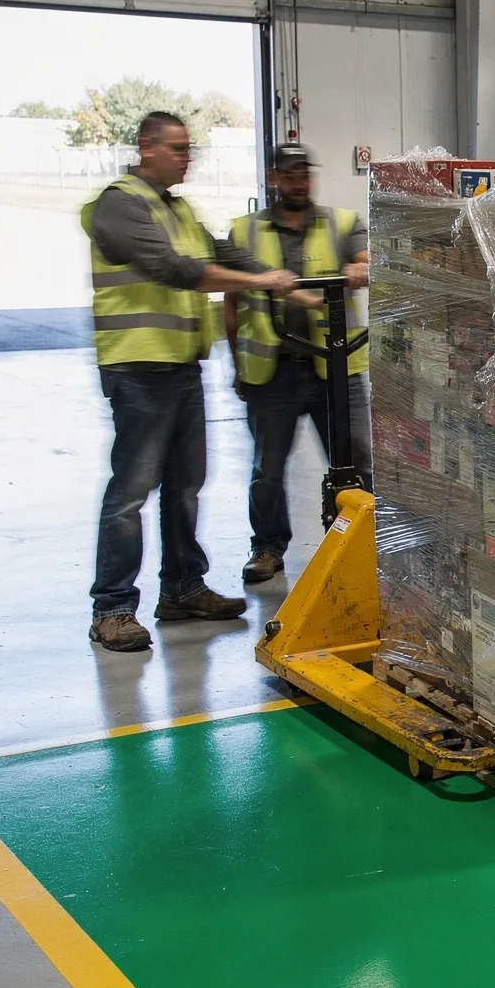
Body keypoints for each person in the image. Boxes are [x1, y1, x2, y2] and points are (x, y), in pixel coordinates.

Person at [84, 111, 300, 653]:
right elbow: (175, 269)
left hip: (180, 366)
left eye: (189, 148)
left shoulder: (175, 207)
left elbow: (218, 251)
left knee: (184, 486)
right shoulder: (120, 204)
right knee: (131, 493)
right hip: (137, 367)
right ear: (146, 147)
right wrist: (260, 280)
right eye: (178, 148)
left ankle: (182, 589)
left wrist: (281, 283)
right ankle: (112, 608)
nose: (188, 157)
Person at [223, 143, 373, 584]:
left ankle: (357, 540)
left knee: (356, 460)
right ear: (274, 178)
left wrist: (361, 268)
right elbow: (231, 303)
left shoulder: (342, 222)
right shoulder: (244, 231)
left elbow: (366, 257)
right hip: (273, 369)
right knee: (267, 469)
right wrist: (236, 366)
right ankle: (267, 547)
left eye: (304, 174)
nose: (299, 182)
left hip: (336, 368)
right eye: (289, 175)